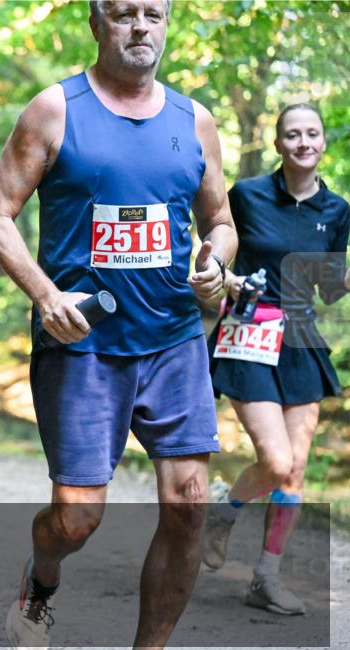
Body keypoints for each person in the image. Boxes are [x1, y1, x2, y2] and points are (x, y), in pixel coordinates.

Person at [0, 1, 238, 650]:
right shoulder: (54, 110)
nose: (141, 26)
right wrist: (45, 294)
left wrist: (214, 264)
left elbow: (222, 223)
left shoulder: (194, 119)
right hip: (85, 346)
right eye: (125, 13)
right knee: (76, 518)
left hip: (174, 338)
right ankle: (41, 579)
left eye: (154, 13)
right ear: (97, 23)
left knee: (189, 503)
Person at [202, 103, 349, 615]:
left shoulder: (337, 210)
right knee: (276, 460)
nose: (303, 142)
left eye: (312, 133)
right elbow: (212, 243)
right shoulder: (247, 195)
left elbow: (330, 287)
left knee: (296, 469)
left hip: (302, 338)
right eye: (293, 134)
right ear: (278, 144)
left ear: (323, 141)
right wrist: (222, 275)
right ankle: (223, 510)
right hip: (250, 330)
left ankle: (265, 577)